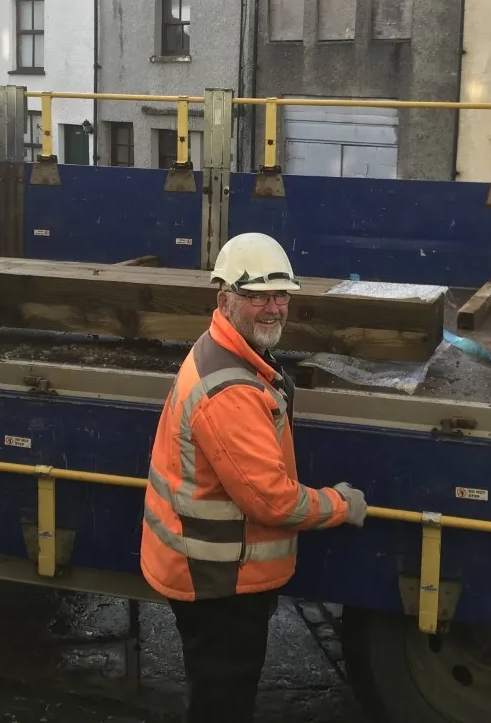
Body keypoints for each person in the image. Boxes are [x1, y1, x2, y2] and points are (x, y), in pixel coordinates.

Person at [139, 231, 367, 723]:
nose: (273, 307)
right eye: (257, 295)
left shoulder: (226, 350)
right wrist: (342, 505)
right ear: (225, 300)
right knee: (224, 700)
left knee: (216, 689)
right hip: (219, 580)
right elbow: (275, 502)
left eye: (281, 294)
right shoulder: (230, 392)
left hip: (212, 568)